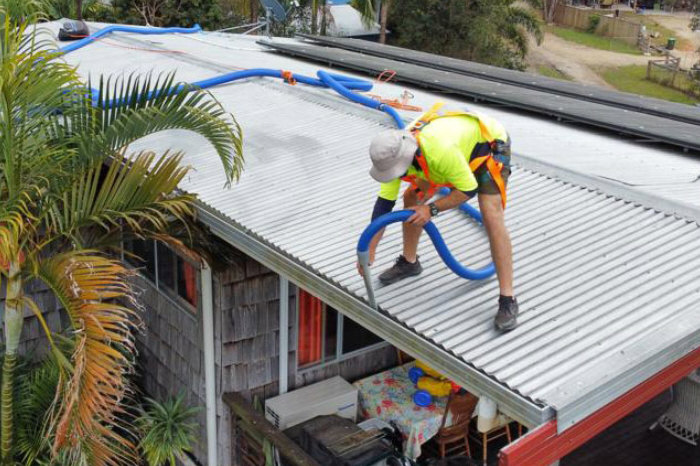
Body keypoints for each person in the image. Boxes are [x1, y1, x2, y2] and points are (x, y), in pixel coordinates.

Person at [359, 106, 518, 331]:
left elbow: (468, 189)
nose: (398, 177)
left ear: (406, 158)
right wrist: (369, 250)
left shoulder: (438, 152)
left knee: (491, 215)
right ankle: (409, 262)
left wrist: (431, 209)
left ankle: (507, 299)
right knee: (411, 196)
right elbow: (383, 208)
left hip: (487, 145)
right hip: (447, 153)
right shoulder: (391, 158)